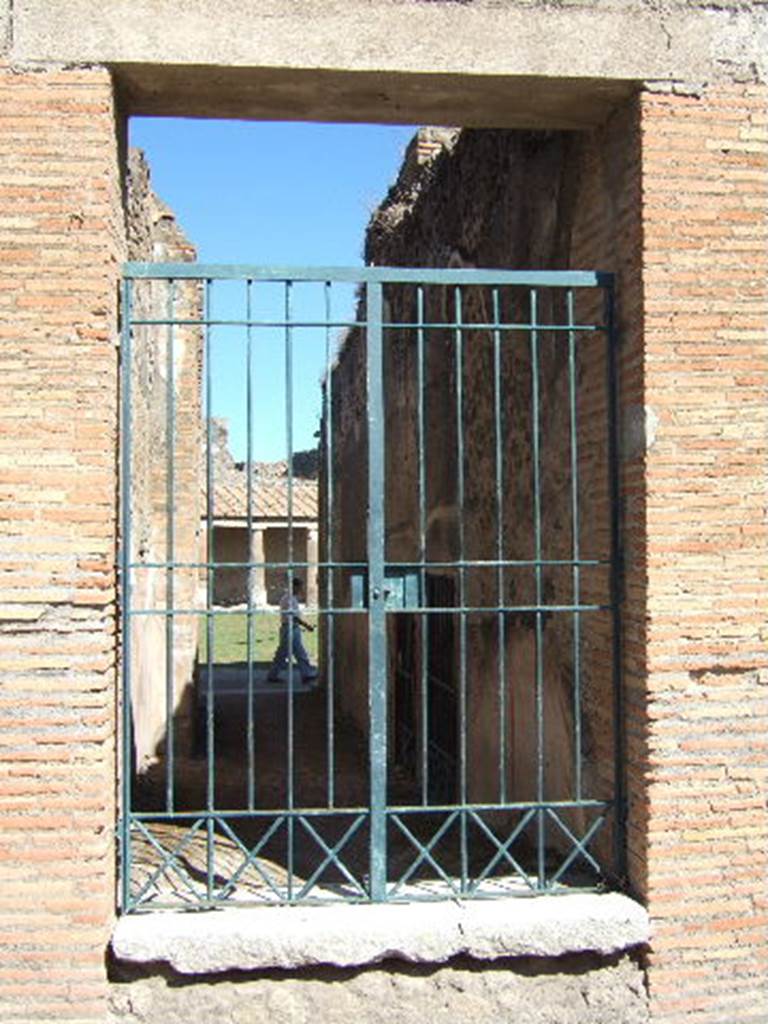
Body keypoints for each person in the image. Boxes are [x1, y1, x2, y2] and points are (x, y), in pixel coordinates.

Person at [266, 577, 318, 685]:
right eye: (299, 587)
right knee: (298, 653)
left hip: (291, 628)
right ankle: (306, 674)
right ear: (295, 586)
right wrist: (307, 626)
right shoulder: (288, 599)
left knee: (284, 654)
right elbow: (293, 616)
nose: (301, 589)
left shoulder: (292, 598)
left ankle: (273, 675)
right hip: (290, 629)